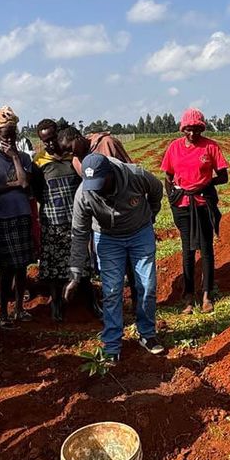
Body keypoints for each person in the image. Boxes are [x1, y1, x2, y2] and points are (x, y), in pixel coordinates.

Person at [66, 151, 166, 363]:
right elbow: (79, 233)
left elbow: (157, 190)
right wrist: (75, 272)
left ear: (111, 174)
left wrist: (151, 215)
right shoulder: (84, 193)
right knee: (111, 291)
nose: (98, 190)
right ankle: (112, 344)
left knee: (147, 286)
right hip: (108, 238)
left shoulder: (135, 175)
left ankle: (147, 334)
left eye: (102, 183)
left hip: (140, 233)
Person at [160, 109, 229, 314]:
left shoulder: (210, 146)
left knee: (206, 249)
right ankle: (188, 297)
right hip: (182, 206)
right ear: (183, 129)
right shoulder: (174, 147)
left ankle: (207, 294)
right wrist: (173, 198)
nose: (192, 134)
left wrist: (204, 185)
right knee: (188, 249)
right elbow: (168, 176)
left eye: (197, 129)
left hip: (203, 204)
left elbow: (223, 176)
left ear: (202, 128)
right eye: (188, 130)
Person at [0, 106, 37, 325]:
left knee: (22, 265)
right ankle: (3, 311)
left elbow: (25, 182)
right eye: (5, 131)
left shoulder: (22, 156)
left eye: (13, 130)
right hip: (3, 218)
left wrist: (14, 158)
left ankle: (19, 309)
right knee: (5, 268)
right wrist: (14, 184)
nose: (10, 135)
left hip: (22, 215)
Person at [35, 120, 88, 321]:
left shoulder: (73, 157)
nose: (49, 144)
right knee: (55, 268)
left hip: (76, 219)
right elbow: (39, 192)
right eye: (44, 141)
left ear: (59, 135)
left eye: (51, 139)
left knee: (82, 263)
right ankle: (56, 304)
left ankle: (88, 301)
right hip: (53, 221)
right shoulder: (39, 162)